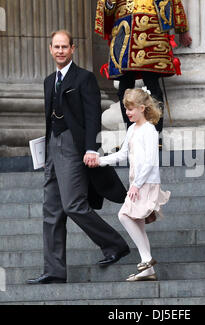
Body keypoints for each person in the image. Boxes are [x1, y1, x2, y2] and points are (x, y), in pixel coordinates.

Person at [27, 30, 130, 285]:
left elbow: (93, 115)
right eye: (56, 47)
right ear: (50, 49)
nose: (60, 51)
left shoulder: (84, 78)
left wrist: (92, 148)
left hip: (74, 147)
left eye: (65, 47)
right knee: (51, 209)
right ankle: (54, 270)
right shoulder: (49, 80)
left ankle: (114, 244)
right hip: (53, 147)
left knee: (73, 204)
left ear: (73, 49)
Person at [96, 87, 170, 281]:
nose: (128, 112)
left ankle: (146, 259)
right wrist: (100, 160)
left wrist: (136, 185)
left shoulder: (149, 130)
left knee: (124, 215)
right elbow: (122, 154)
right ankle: (148, 270)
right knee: (136, 222)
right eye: (126, 109)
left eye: (131, 109)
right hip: (137, 182)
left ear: (143, 108)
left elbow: (150, 161)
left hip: (146, 182)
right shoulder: (132, 129)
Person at [94, 0, 192, 134]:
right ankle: (130, 133)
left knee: (152, 83)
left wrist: (182, 29)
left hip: (152, 28)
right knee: (124, 87)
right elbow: (107, 10)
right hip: (124, 29)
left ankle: (156, 133)